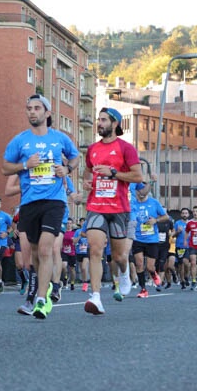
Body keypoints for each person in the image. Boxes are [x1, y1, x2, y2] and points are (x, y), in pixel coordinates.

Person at [3, 95, 80, 319]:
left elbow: (74, 158)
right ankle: (37, 290)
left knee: (47, 249)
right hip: (29, 202)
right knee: (34, 255)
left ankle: (40, 298)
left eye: (37, 108)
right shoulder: (19, 141)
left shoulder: (59, 138)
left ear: (47, 113)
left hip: (54, 202)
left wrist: (67, 170)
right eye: (28, 109)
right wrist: (26, 164)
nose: (32, 112)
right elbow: (5, 168)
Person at [81, 107, 142, 315]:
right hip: (96, 206)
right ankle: (96, 297)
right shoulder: (93, 149)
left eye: (104, 120)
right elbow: (87, 171)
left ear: (115, 124)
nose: (99, 123)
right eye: (98, 119)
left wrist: (114, 173)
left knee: (118, 256)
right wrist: (87, 183)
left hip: (119, 208)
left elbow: (137, 177)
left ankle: (124, 274)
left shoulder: (126, 148)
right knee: (95, 250)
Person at [129, 182, 170, 299]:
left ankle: (153, 273)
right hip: (137, 238)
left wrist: (156, 220)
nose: (141, 193)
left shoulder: (154, 202)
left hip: (152, 239)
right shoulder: (132, 203)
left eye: (144, 190)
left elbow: (166, 217)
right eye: (139, 190)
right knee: (139, 263)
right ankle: (143, 289)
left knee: (150, 267)